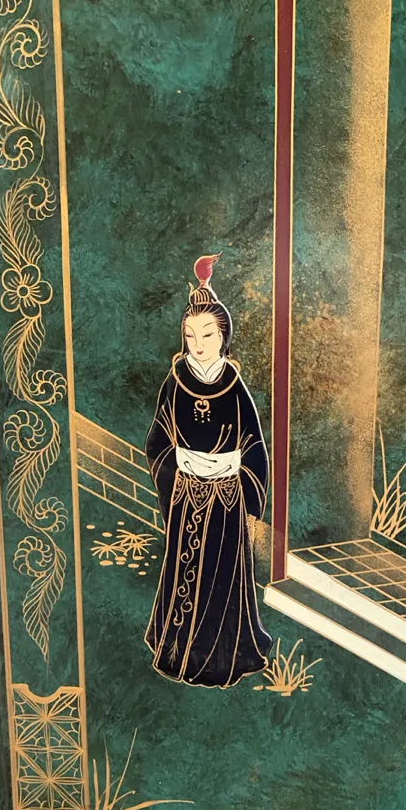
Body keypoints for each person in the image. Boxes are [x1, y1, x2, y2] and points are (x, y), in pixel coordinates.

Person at [144, 254, 273, 687]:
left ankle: (221, 659)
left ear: (223, 337)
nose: (197, 345)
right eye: (190, 336)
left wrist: (231, 465)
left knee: (221, 582)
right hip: (185, 498)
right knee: (183, 573)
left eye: (207, 335)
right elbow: (157, 441)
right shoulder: (175, 382)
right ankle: (177, 652)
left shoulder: (235, 388)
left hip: (225, 501)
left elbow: (255, 447)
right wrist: (180, 461)